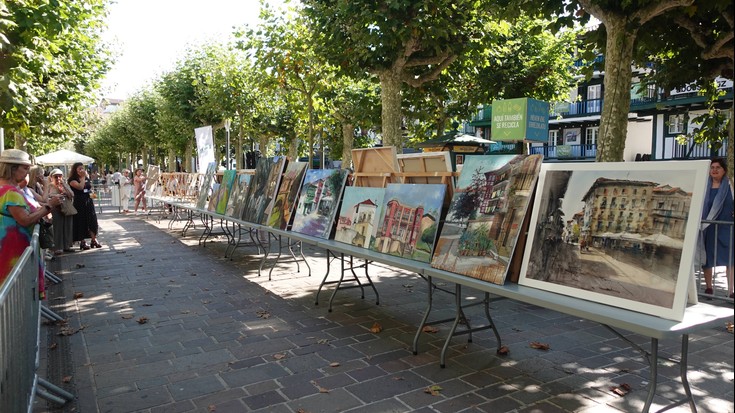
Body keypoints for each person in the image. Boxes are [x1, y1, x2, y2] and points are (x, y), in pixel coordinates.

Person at [0, 149, 63, 287]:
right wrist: (49, 206)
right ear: (12, 168)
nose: (27, 172)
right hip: (13, 250)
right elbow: (25, 219)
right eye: (25, 168)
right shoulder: (11, 193)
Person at [700, 157, 734, 299]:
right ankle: (709, 288)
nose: (714, 170)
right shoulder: (703, 186)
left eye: (717, 167)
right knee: (707, 258)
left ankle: (730, 291)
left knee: (730, 259)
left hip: (727, 228)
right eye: (712, 167)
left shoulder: (731, 185)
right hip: (708, 227)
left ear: (724, 170)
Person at [68, 162, 101, 250]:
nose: (82, 170)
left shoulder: (86, 177)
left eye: (83, 168)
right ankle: (82, 241)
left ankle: (94, 239)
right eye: (80, 169)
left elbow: (88, 187)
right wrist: (82, 177)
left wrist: (92, 192)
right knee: (81, 221)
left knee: (92, 219)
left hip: (88, 200)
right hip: (79, 202)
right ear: (75, 170)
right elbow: (80, 187)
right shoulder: (72, 180)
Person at [47, 168, 75, 255]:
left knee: (67, 226)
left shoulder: (65, 185)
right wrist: (55, 196)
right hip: (56, 208)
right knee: (57, 227)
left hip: (66, 207)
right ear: (51, 177)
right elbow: (46, 197)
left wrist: (64, 190)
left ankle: (67, 245)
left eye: (60, 176)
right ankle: (58, 247)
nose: (58, 178)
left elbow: (71, 195)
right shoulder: (49, 186)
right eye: (56, 176)